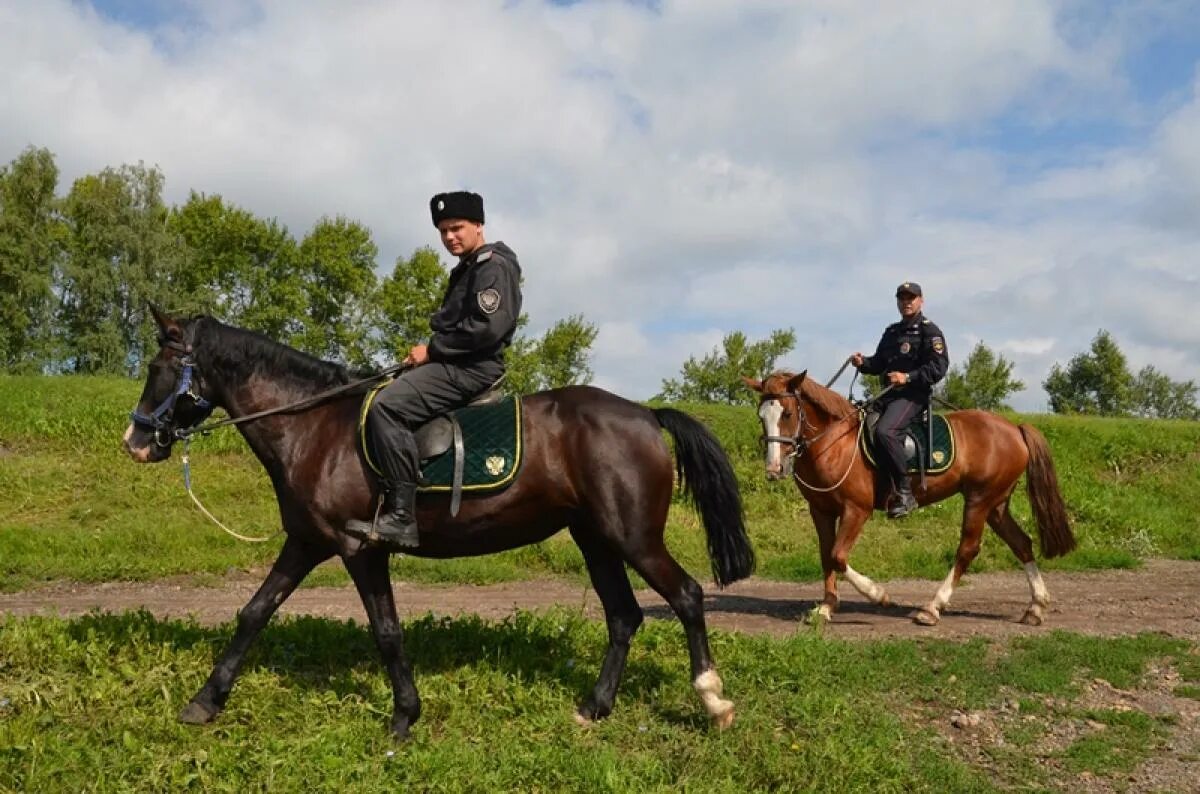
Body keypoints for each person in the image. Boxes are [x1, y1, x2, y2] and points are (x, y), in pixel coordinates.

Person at [347, 191, 522, 547]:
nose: (449, 237)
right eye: (443, 231)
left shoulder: (492, 266)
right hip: (456, 363)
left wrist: (433, 350)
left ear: (478, 225)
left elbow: (489, 327)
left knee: (388, 407)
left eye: (456, 228)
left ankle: (401, 516)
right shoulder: (470, 268)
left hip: (472, 369)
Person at [850, 281, 949, 519]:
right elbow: (879, 363)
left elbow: (939, 367)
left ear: (921, 300)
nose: (906, 302)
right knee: (857, 424)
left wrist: (908, 377)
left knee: (886, 432)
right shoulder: (892, 332)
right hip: (889, 396)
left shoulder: (929, 331)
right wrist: (863, 363)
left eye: (911, 298)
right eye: (902, 299)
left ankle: (905, 493)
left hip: (913, 396)